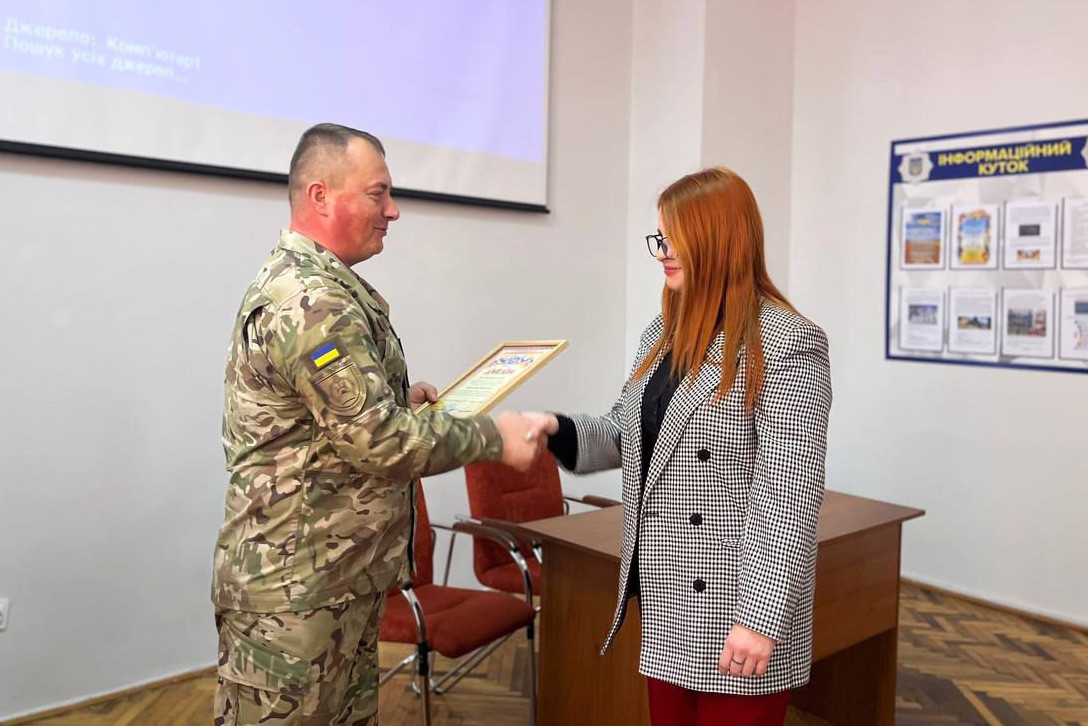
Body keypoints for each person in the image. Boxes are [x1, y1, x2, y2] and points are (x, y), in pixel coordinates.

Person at [211, 123, 541, 725]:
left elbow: (334, 421)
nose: (393, 210)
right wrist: (497, 439)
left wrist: (396, 399)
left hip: (335, 579)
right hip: (296, 594)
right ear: (320, 195)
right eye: (377, 193)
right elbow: (379, 441)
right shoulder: (311, 300)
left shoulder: (325, 285)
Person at [523, 167, 832, 726]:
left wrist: (760, 620)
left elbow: (788, 497)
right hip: (668, 600)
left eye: (675, 238)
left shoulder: (788, 341)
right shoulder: (663, 332)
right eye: (659, 238)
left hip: (736, 609)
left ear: (717, 239)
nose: (662, 252)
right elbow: (628, 435)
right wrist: (554, 428)